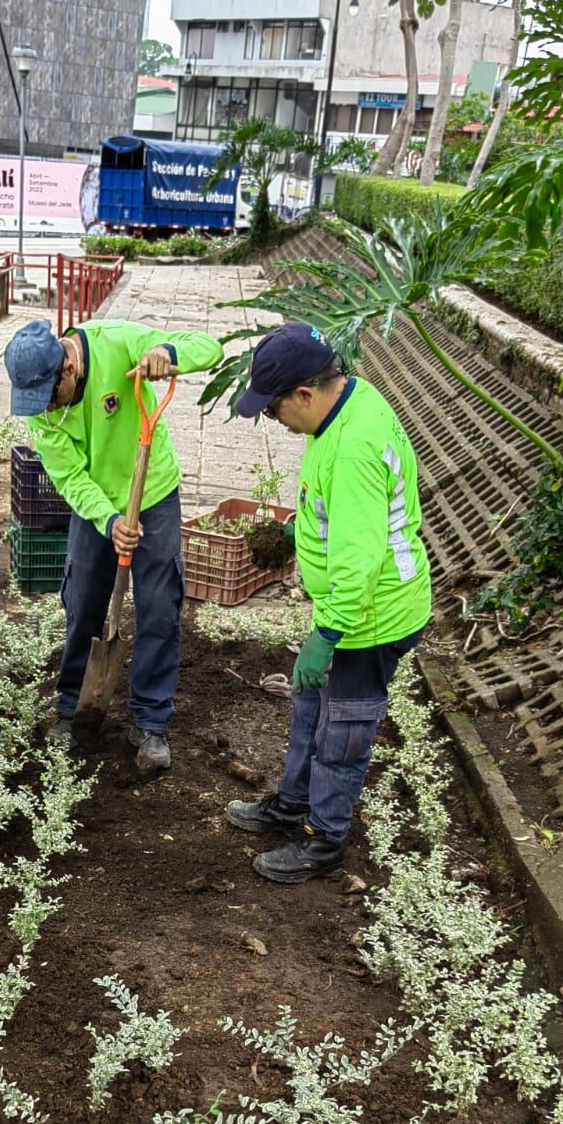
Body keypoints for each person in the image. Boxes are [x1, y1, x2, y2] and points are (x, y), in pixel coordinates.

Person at [225, 323, 431, 883]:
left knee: (343, 730)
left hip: (374, 616)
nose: (276, 421)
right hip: (350, 606)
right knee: (310, 708)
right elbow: (343, 520)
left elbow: (360, 557)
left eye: (273, 410)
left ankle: (323, 842)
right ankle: (293, 806)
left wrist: (328, 635)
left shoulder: (353, 450)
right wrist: (301, 537)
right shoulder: (346, 405)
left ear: (305, 395)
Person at [3, 318, 223, 773]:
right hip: (96, 503)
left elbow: (209, 345)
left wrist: (167, 352)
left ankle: (151, 721)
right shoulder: (40, 409)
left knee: (159, 603)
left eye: (48, 396)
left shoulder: (118, 343)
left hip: (153, 489)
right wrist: (109, 520)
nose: (43, 408)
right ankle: (73, 705)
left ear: (67, 367)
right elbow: (68, 476)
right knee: (82, 597)